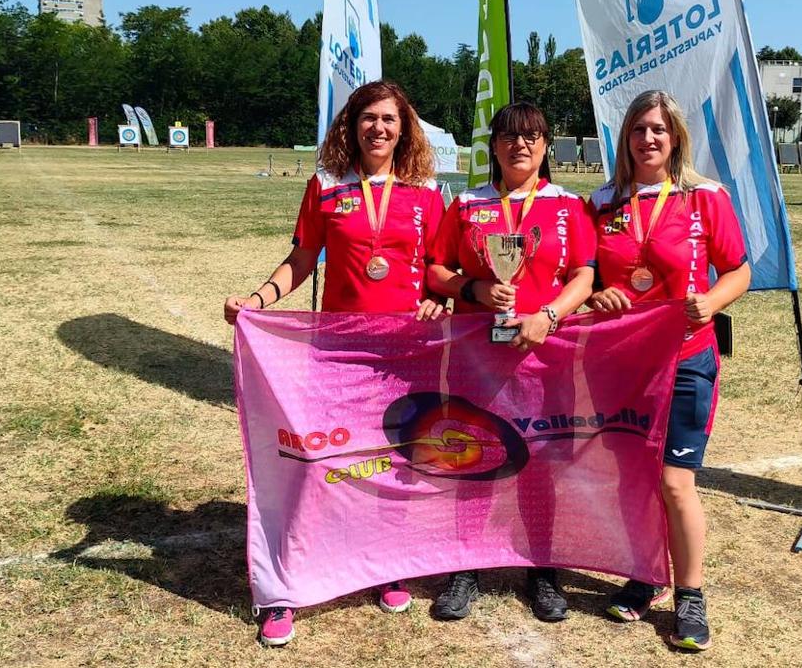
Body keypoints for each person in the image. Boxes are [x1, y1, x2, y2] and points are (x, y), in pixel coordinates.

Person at [222, 80, 446, 646]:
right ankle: (289, 585)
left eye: (390, 119)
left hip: (404, 353)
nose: (379, 128)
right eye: (368, 118)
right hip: (338, 350)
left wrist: (438, 297)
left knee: (395, 460)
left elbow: (441, 269)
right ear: (351, 125)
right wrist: (258, 300)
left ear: (405, 129)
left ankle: (388, 565)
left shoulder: (426, 191)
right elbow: (302, 257)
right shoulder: (325, 185)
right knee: (317, 464)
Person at [586, 90, 751, 652]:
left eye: (658, 129)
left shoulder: (705, 197)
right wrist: (600, 296)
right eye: (638, 129)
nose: (648, 139)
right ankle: (647, 574)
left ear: (675, 136)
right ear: (625, 138)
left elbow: (739, 269)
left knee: (676, 483)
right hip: (620, 362)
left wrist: (714, 301)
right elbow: (589, 278)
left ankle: (691, 594)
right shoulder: (603, 201)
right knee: (634, 478)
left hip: (685, 358)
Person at [425, 102, 596, 623]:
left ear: (546, 145)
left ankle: (541, 568)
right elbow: (435, 269)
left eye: (531, 137)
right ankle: (466, 567)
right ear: (493, 146)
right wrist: (473, 286)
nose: (520, 146)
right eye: (508, 137)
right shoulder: (466, 204)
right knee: (471, 455)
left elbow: (584, 277)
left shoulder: (570, 206)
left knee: (541, 462)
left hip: (544, 358)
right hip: (477, 356)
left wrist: (548, 314)